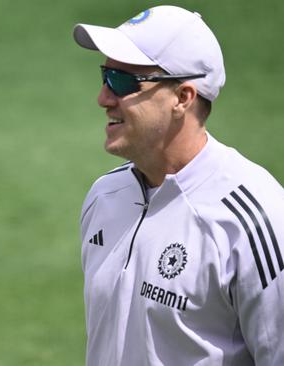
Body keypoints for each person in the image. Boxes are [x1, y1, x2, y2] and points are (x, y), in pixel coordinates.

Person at [72, 5, 284, 365]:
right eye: (105, 76)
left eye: (122, 82)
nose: (104, 98)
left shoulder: (258, 220)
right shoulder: (104, 196)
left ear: (183, 98)